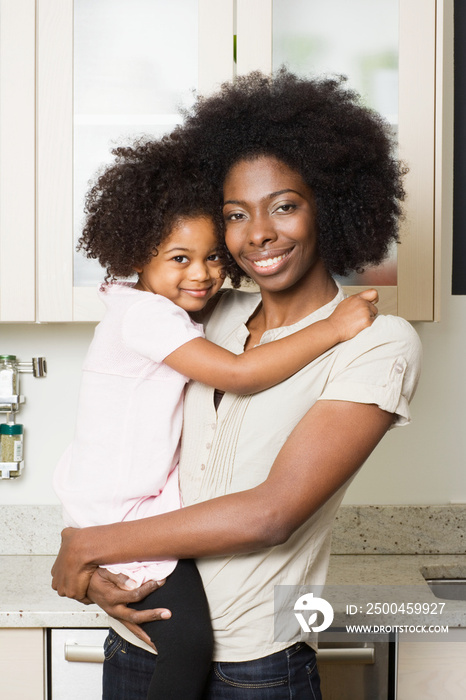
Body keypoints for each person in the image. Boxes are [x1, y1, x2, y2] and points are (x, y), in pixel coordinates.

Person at [51, 70, 422, 700]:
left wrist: (83, 547)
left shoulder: (377, 343)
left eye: (284, 205)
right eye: (234, 214)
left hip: (256, 670)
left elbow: (270, 514)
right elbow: (122, 433)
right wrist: (97, 568)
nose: (258, 234)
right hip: (142, 637)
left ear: (328, 205)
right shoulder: (205, 313)